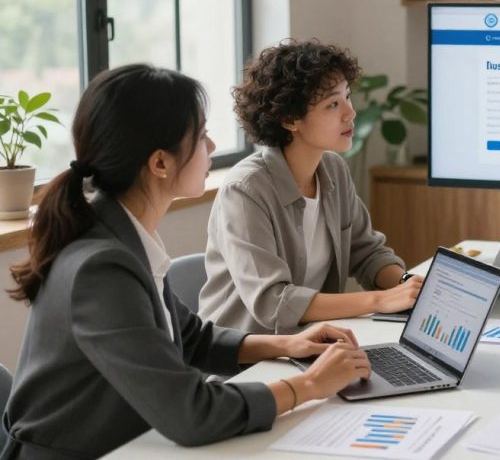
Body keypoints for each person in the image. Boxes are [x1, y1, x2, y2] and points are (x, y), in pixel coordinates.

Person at [2, 65, 370, 460]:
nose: (212, 147)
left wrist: (290, 343)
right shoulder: (101, 268)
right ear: (160, 163)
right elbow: (190, 414)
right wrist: (310, 386)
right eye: (201, 136)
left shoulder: (122, 236)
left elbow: (192, 338)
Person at [199, 40, 420, 334]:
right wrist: (380, 300)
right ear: (290, 119)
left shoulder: (333, 170)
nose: (350, 113)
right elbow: (274, 302)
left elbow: (367, 253)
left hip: (310, 344)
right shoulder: (245, 191)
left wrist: (411, 288)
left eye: (347, 97)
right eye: (332, 104)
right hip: (246, 361)